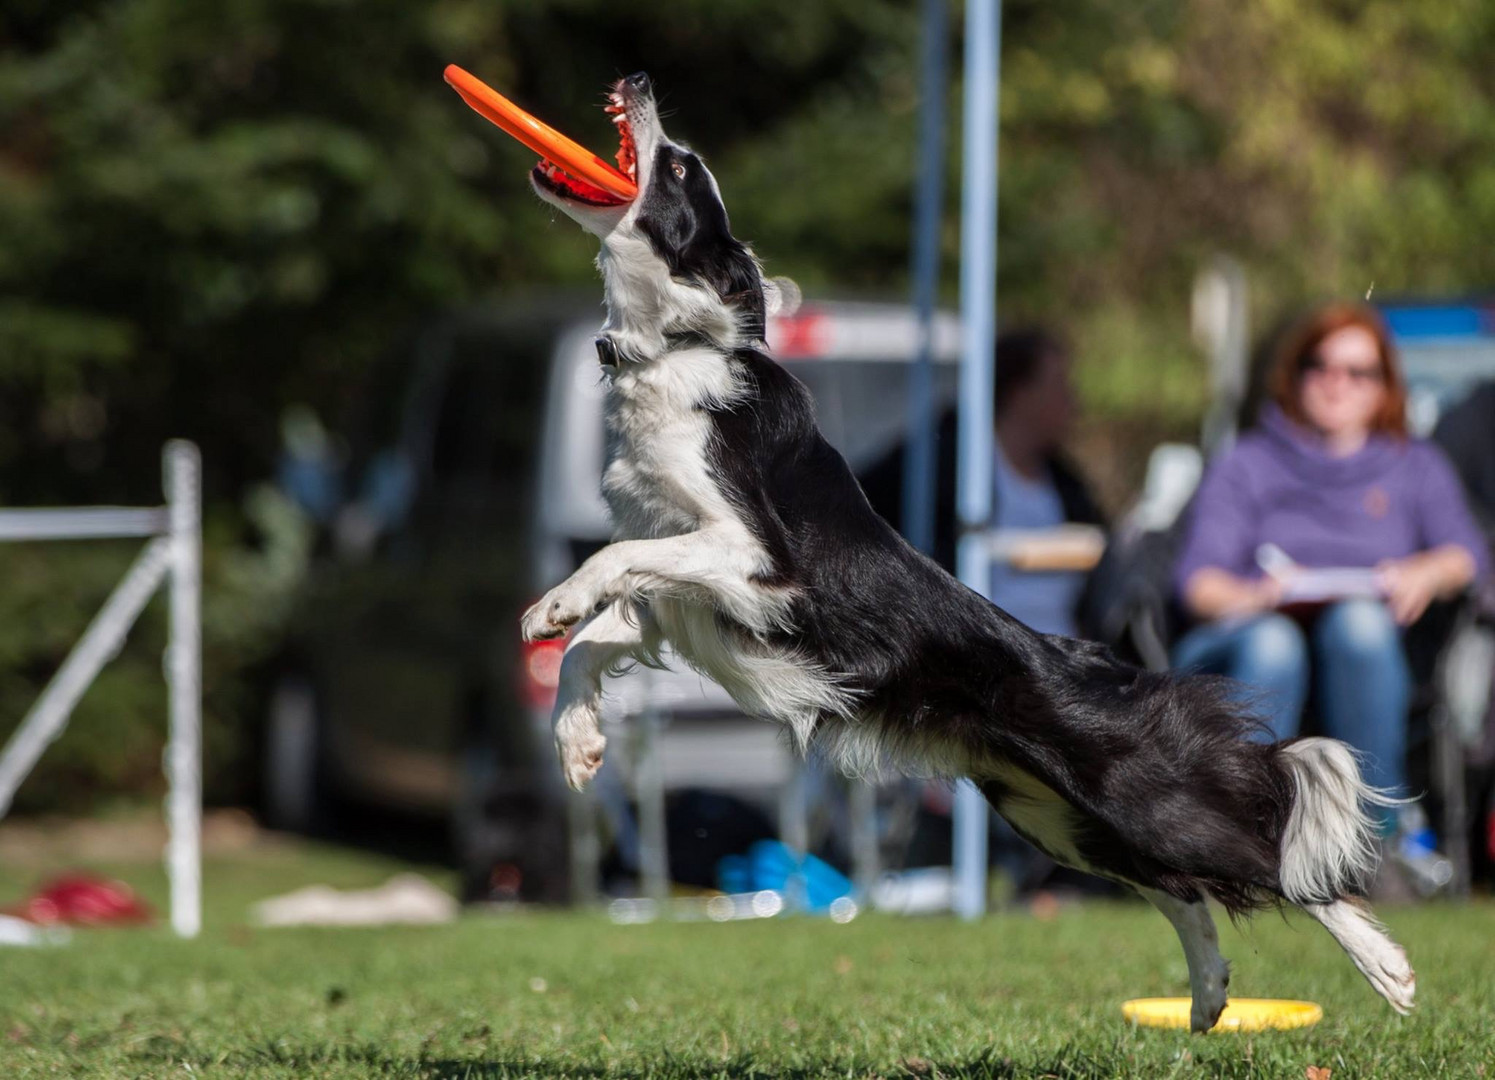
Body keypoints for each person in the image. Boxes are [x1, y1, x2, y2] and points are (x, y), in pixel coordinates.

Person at [1171, 303, 1489, 876]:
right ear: (1294, 373)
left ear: (1385, 385)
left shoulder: (1414, 465)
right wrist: (1257, 597)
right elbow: (1199, 585)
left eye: (1358, 371)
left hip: (1371, 652)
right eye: (1320, 366)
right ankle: (1247, 833)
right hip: (1248, 644)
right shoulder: (1248, 462)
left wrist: (1428, 571)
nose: (1336, 383)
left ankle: (1375, 841)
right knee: (1274, 642)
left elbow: (1465, 555)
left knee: (1358, 625)